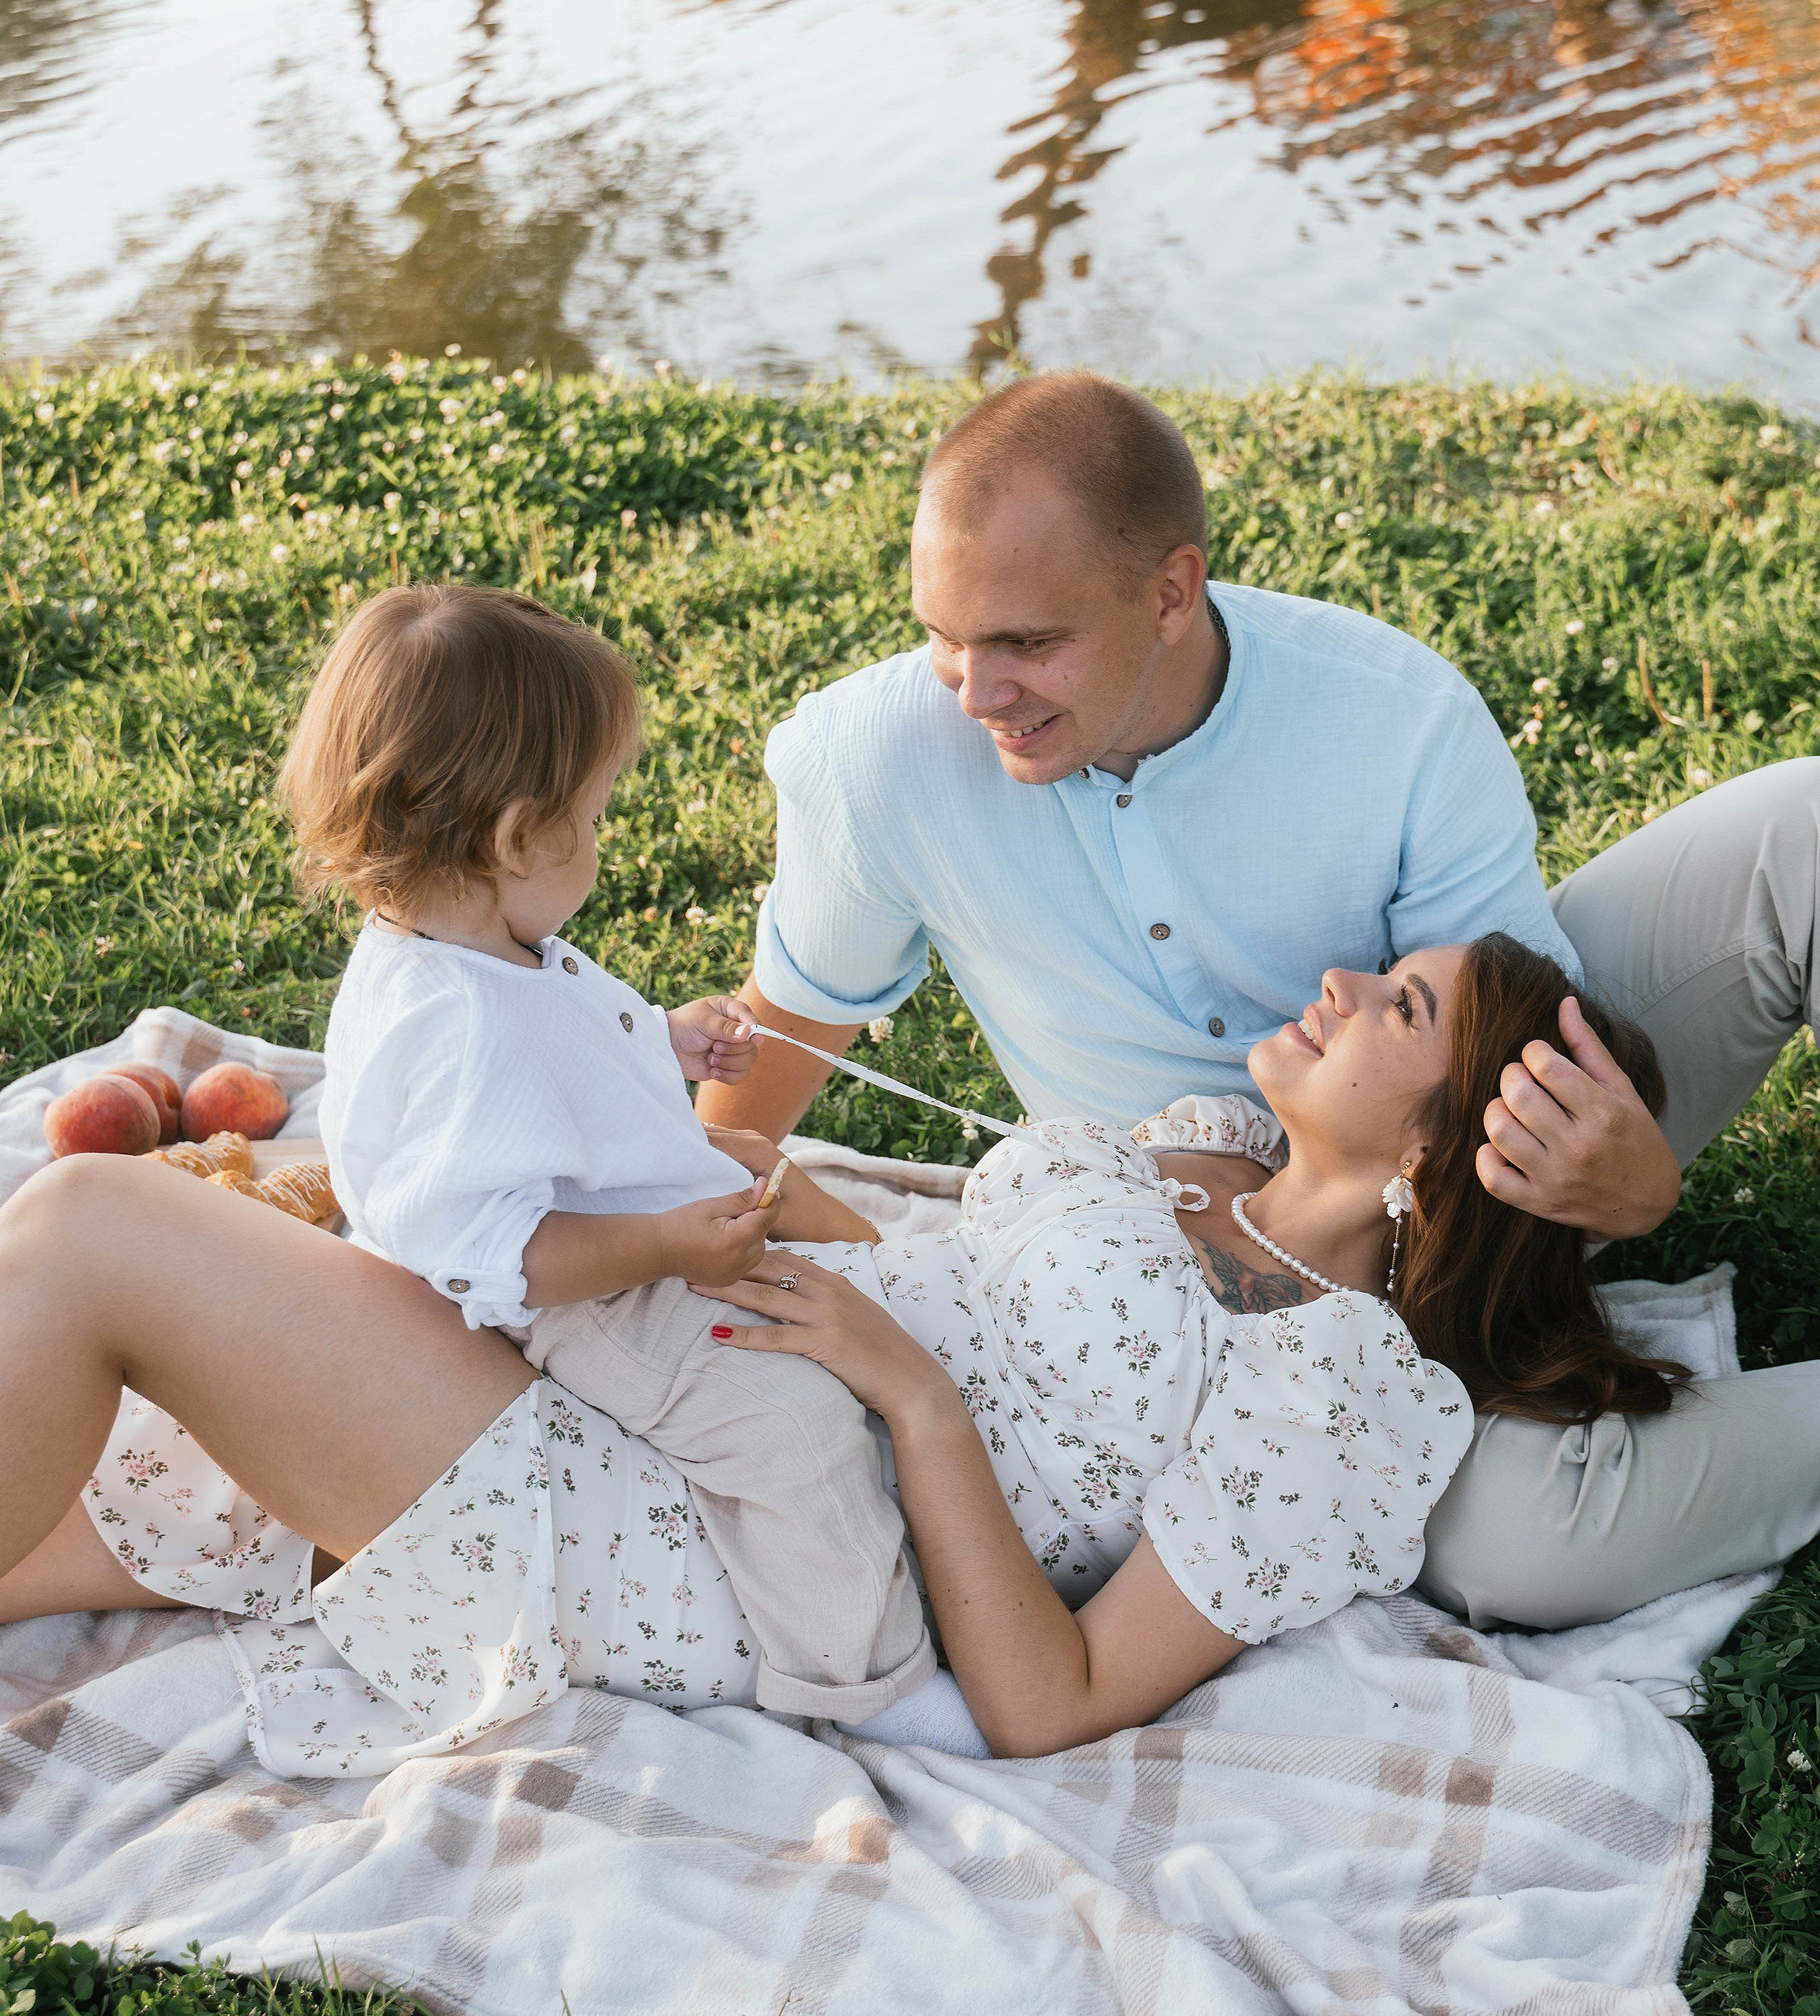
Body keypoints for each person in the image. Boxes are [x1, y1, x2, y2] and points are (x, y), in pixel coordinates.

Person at [696, 369, 1820, 1628]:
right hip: (1240, 1325)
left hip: (1490, 1159)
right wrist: (669, 1200)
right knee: (1517, 1551)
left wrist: (1629, 1184)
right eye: (946, 635)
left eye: (1028, 643)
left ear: (1171, 592)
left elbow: (1495, 1021)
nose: (975, 693)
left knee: (1807, 829)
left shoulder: (1395, 718)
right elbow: (788, 1030)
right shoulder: (876, 760)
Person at [0, 935, 1693, 1766]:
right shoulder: (1199, 1151)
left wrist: (911, 1394)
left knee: (91, 1229)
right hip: (688, 1351)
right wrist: (676, 1155)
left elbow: (1057, 1700)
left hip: (721, 1535)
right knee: (143, 1465)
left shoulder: (1346, 1397)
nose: (1340, 978)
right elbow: (929, 1264)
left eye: (1396, 1006)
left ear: (1436, 1150)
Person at [279, 581, 935, 1734]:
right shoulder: (458, 1022)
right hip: (583, 1304)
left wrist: (665, 1041)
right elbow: (495, 1254)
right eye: (592, 813)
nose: (600, 836)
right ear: (519, 835)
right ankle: (865, 1689)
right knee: (794, 1437)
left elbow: (554, 1059)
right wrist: (662, 1240)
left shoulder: (478, 946)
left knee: (840, 1320)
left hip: (616, 1245)